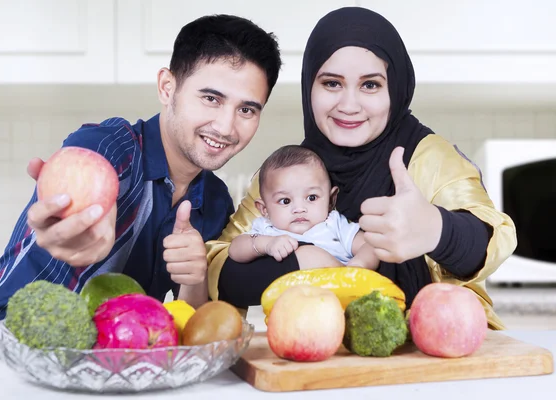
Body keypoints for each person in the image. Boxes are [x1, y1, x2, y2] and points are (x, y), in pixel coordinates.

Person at [0, 14, 282, 331]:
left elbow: (196, 327)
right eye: (211, 98)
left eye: (246, 109)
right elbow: (76, 206)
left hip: (96, 371)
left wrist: (195, 279)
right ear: (167, 88)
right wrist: (83, 233)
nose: (226, 126)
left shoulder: (214, 202)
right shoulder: (109, 150)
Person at [206, 7, 516, 330]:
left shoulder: (428, 155)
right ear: (308, 86)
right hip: (322, 355)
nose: (349, 105)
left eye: (370, 85)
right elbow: (220, 269)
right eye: (331, 83)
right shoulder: (287, 174)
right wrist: (304, 261)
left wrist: (436, 229)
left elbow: (493, 242)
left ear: (394, 88)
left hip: (442, 351)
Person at [228, 145, 379, 270]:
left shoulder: (334, 224)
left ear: (331, 199)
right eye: (285, 201)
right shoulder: (267, 230)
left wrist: (359, 265)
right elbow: (234, 249)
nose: (299, 208)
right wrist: (266, 244)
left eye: (311, 198)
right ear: (264, 209)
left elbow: (369, 245)